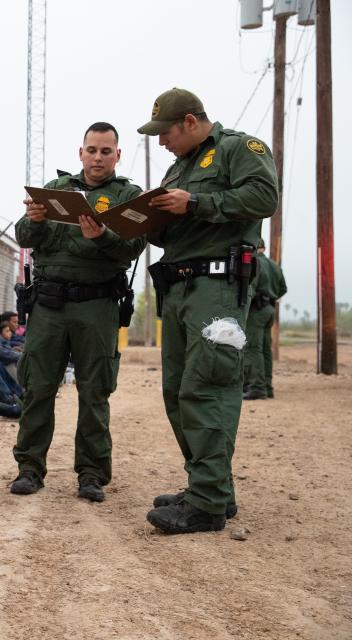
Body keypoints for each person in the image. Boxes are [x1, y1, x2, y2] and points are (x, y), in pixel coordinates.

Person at [139, 88, 277, 533]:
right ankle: (210, 486)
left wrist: (195, 202)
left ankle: (207, 504)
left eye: (166, 132)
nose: (161, 142)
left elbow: (262, 198)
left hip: (216, 288)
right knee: (178, 391)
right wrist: (146, 221)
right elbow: (182, 233)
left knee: (208, 387)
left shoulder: (239, 148)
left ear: (193, 121)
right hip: (180, 286)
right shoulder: (180, 166)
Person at [10, 122, 146, 504]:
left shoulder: (127, 196)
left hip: (97, 306)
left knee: (95, 390)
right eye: (92, 150)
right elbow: (23, 236)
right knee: (38, 387)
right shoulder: (56, 192)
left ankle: (91, 473)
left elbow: (133, 246)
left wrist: (101, 236)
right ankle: (29, 468)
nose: (98, 157)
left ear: (117, 154)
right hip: (49, 305)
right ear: (80, 152)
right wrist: (34, 220)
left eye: (106, 151)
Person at [243, 237, 287, 400]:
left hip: (256, 309)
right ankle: (267, 386)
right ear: (265, 247)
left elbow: (249, 288)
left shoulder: (254, 262)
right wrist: (271, 295)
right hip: (269, 309)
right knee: (265, 348)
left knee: (253, 348)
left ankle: (257, 387)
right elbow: (283, 288)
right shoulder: (274, 265)